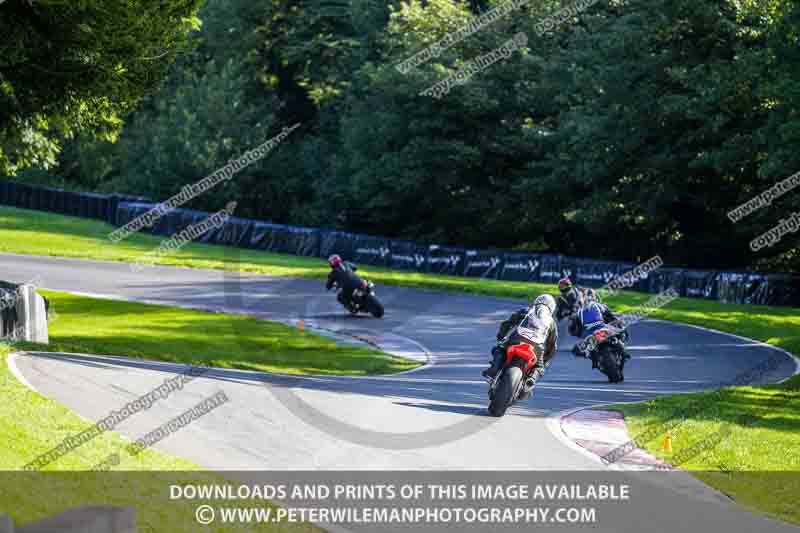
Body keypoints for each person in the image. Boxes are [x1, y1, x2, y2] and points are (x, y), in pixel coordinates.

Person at [482, 294, 559, 398]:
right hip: (537, 347)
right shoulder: (552, 322)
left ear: (537, 301)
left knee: (500, 348)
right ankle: (530, 380)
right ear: (552, 308)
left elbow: (507, 323)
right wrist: (545, 361)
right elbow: (552, 345)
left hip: (517, 339)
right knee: (540, 367)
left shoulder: (527, 310)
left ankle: (494, 369)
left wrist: (501, 336)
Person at [570, 289, 630, 360]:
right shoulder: (600, 306)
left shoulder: (578, 311)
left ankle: (589, 352)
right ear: (595, 297)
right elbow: (612, 318)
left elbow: (573, 330)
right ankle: (623, 351)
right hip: (600, 328)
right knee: (620, 329)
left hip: (589, 332)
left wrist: (579, 333)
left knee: (577, 350)